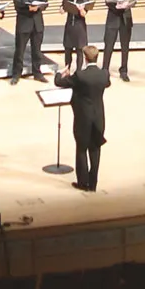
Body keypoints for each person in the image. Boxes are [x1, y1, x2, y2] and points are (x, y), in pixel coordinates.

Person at [54, 45, 111, 192]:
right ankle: (93, 184)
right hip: (99, 118)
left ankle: (82, 182)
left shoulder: (80, 76)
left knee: (81, 149)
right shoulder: (104, 74)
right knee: (95, 149)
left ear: (85, 59)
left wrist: (61, 73)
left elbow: (59, 82)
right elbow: (107, 84)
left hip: (83, 118)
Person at [9, 0, 47, 85]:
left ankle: (37, 73)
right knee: (20, 51)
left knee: (37, 50)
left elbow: (45, 3)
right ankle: (16, 74)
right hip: (24, 23)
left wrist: (38, 7)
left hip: (37, 23)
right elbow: (17, 5)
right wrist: (29, 8)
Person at [100, 0, 136, 81]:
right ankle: (105, 70)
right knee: (108, 44)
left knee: (125, 46)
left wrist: (127, 5)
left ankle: (124, 70)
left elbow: (133, 0)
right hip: (113, 17)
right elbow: (107, 0)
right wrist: (116, 6)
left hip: (126, 17)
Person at [59, 0, 91, 68]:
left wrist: (81, 9)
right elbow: (62, 11)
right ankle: (67, 69)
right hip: (69, 26)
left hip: (79, 27)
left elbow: (84, 14)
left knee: (79, 50)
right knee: (68, 49)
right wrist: (62, 9)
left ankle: (78, 71)